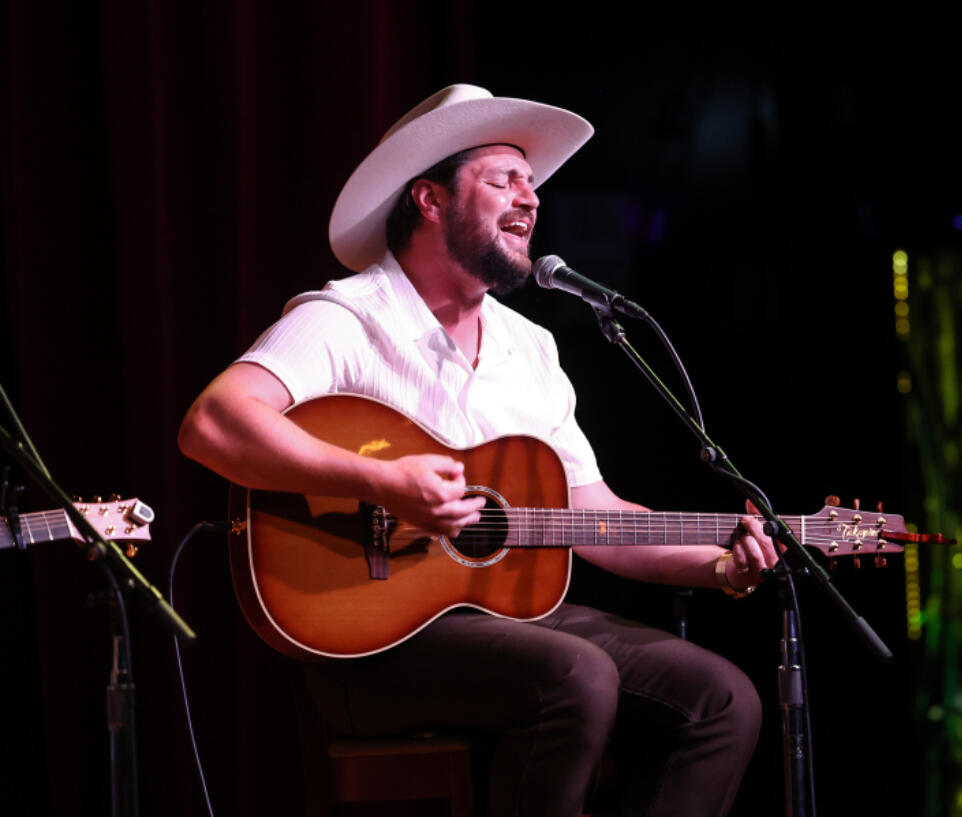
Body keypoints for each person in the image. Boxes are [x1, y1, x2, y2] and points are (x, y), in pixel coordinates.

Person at [178, 84, 778, 817]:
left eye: (532, 183)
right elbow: (213, 421)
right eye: (504, 179)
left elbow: (597, 516)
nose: (531, 198)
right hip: (369, 641)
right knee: (576, 676)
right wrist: (380, 479)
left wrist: (717, 565)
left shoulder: (531, 347)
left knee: (722, 699)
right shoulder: (347, 316)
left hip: (516, 627)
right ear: (430, 200)